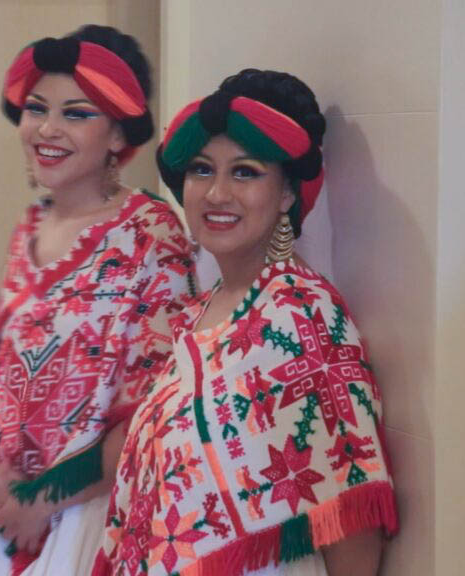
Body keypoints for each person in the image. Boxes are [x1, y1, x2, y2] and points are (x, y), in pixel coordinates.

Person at [93, 69, 398, 576]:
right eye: (201, 170)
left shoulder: (302, 312)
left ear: (286, 194)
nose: (216, 193)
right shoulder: (200, 312)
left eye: (245, 172)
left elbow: (350, 510)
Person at [0, 25, 198, 576]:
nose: (47, 128)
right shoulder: (30, 227)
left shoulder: (151, 234)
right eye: (37, 108)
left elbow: (149, 411)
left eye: (76, 113)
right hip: (6, 521)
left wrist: (41, 504)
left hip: (92, 521)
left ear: (119, 134)